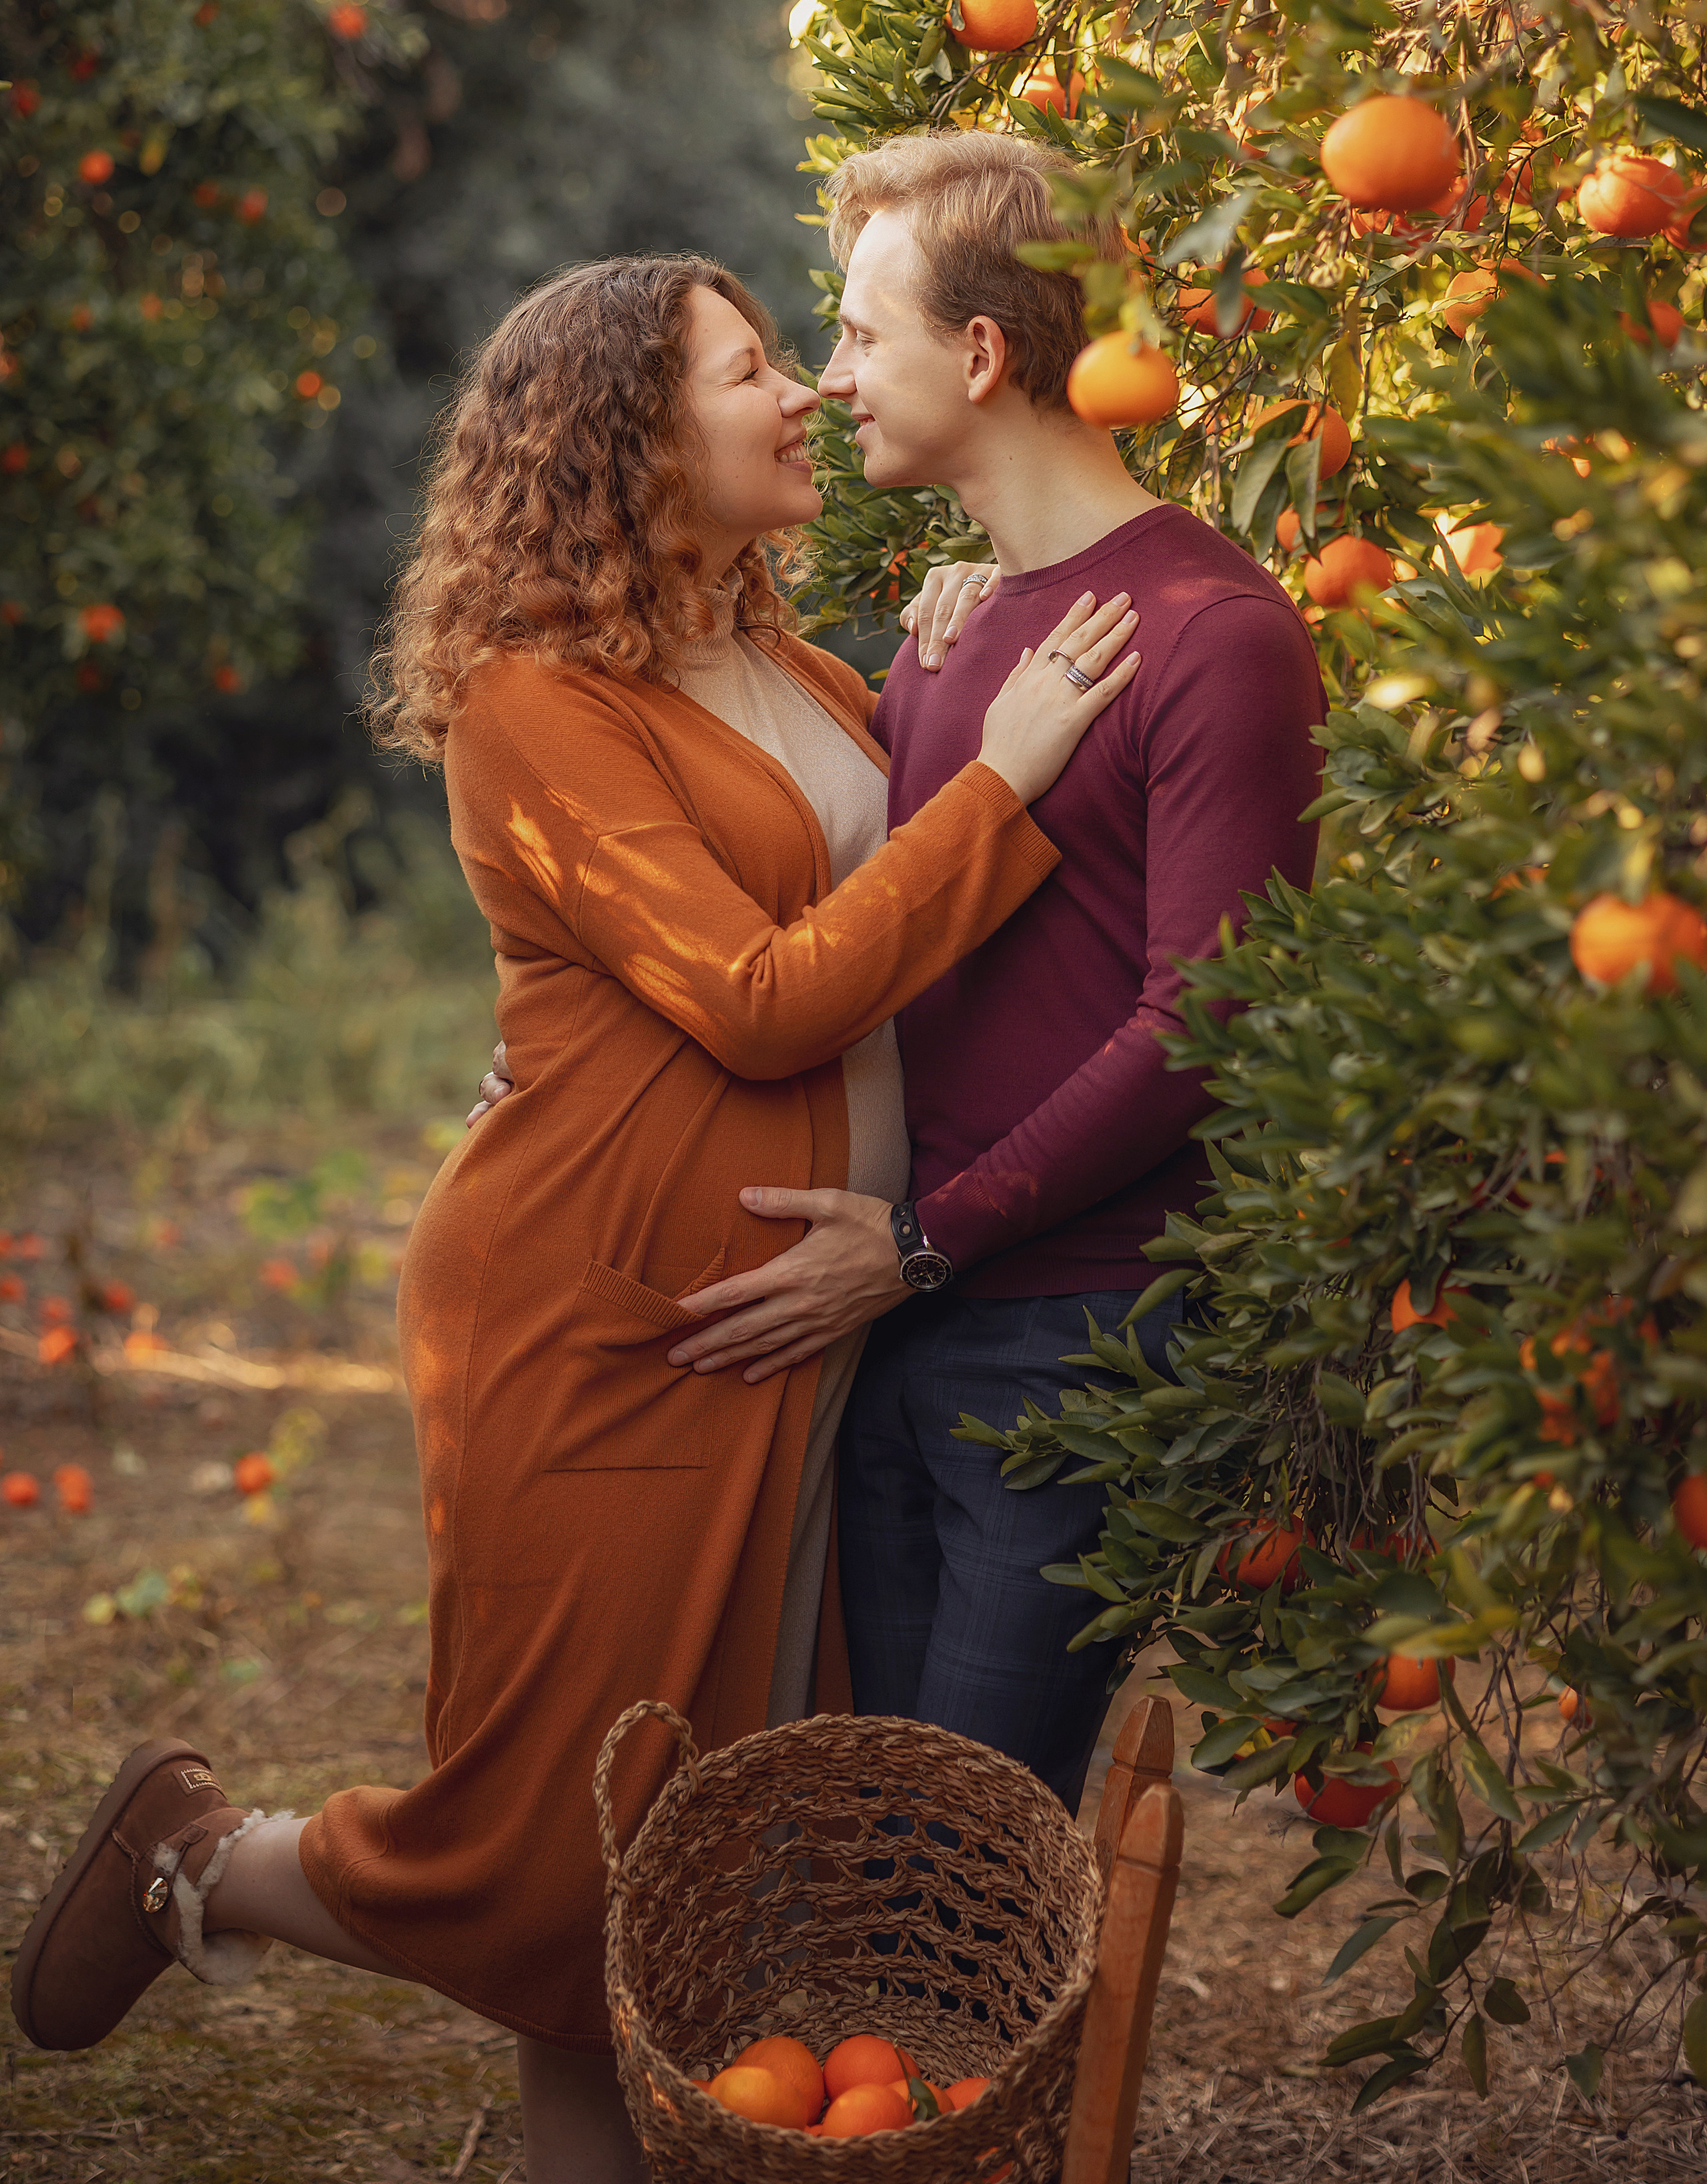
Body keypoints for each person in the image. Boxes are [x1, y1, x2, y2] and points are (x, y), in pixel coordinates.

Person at [10, 253, 1140, 2184]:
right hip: (610, 1319)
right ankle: (228, 1862)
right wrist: (1009, 775)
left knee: (688, 1853)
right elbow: (766, 992)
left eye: (799, 360)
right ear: (626, 437)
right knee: (574, 1839)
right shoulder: (536, 701)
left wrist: (952, 677)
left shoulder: (782, 662)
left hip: (792, 1326)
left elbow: (856, 888)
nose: (799, 395)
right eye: (749, 368)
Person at [663, 131, 1328, 1811]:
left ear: (978, 351)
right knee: (869, 1831)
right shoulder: (950, 639)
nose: (831, 379)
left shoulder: (1213, 633)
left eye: (861, 335)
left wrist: (917, 1247)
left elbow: (1208, 1027)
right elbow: (840, 935)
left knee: (960, 1846)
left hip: (1072, 1335)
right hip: (887, 1316)